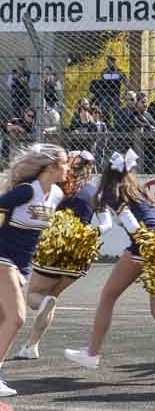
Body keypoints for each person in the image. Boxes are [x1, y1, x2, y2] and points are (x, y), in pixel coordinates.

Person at [64, 149, 155, 384]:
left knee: (108, 296)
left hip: (146, 246)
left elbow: (132, 225)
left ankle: (92, 353)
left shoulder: (113, 192)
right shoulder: (140, 191)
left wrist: (145, 245)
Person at [15, 151, 109, 361]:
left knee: (35, 298)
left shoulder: (58, 187)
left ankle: (33, 342)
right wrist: (87, 235)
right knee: (51, 298)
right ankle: (31, 346)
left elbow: (41, 214)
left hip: (55, 248)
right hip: (80, 254)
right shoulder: (96, 193)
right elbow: (106, 224)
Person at [0, 144, 68, 397]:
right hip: (2, 257)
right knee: (17, 318)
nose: (68, 169)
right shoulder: (27, 191)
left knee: (3, 320)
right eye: (65, 164)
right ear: (51, 167)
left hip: (22, 265)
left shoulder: (58, 194)